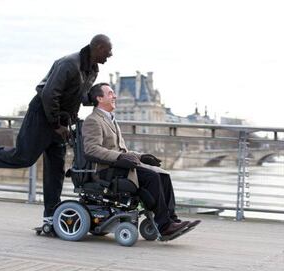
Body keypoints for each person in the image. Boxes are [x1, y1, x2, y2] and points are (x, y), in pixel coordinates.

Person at [0, 34, 113, 225]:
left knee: (56, 169)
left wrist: (97, 100)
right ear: (97, 47)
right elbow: (48, 94)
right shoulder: (69, 64)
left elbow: (78, 94)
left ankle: (51, 215)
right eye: (108, 50)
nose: (110, 54)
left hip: (60, 120)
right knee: (24, 157)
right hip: (42, 115)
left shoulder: (92, 69)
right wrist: (56, 125)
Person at [82, 83, 200, 237]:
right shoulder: (93, 120)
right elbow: (91, 150)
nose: (115, 96)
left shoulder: (111, 120)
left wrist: (141, 156)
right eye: (110, 93)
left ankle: (172, 220)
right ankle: (164, 226)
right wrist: (120, 157)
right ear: (99, 98)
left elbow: (121, 149)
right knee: (152, 177)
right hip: (106, 171)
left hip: (119, 166)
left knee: (164, 175)